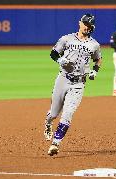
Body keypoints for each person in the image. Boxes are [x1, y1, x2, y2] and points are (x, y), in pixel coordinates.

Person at [44, 13, 102, 156]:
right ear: (80, 23)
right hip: (63, 79)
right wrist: (60, 60)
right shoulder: (67, 39)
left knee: (68, 113)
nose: (87, 27)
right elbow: (53, 53)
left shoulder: (94, 44)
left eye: (89, 25)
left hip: (79, 84)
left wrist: (95, 71)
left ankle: (55, 143)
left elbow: (98, 60)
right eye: (85, 24)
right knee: (54, 113)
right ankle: (48, 123)